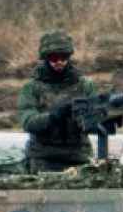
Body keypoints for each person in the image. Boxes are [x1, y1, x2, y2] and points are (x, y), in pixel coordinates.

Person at [18, 30, 99, 173]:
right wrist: (53, 116)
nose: (59, 62)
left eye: (64, 57)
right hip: (43, 158)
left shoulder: (85, 85)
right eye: (54, 58)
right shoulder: (31, 88)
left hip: (79, 157)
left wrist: (87, 117)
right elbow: (27, 122)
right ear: (46, 59)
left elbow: (96, 122)